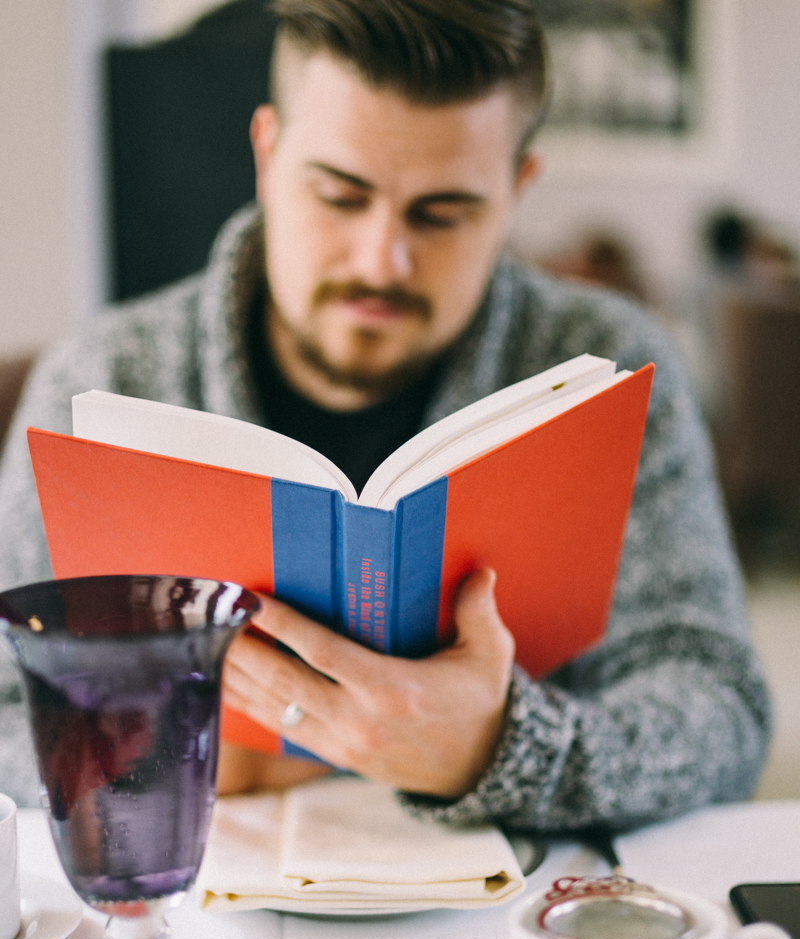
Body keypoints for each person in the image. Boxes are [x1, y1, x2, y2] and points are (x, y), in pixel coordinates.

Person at [0, 0, 769, 834]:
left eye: (442, 214)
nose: (382, 260)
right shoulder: (102, 383)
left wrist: (504, 747)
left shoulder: (607, 367)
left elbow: (721, 710)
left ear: (517, 189)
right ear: (267, 152)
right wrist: (176, 759)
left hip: (524, 922)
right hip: (193, 927)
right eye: (340, 195)